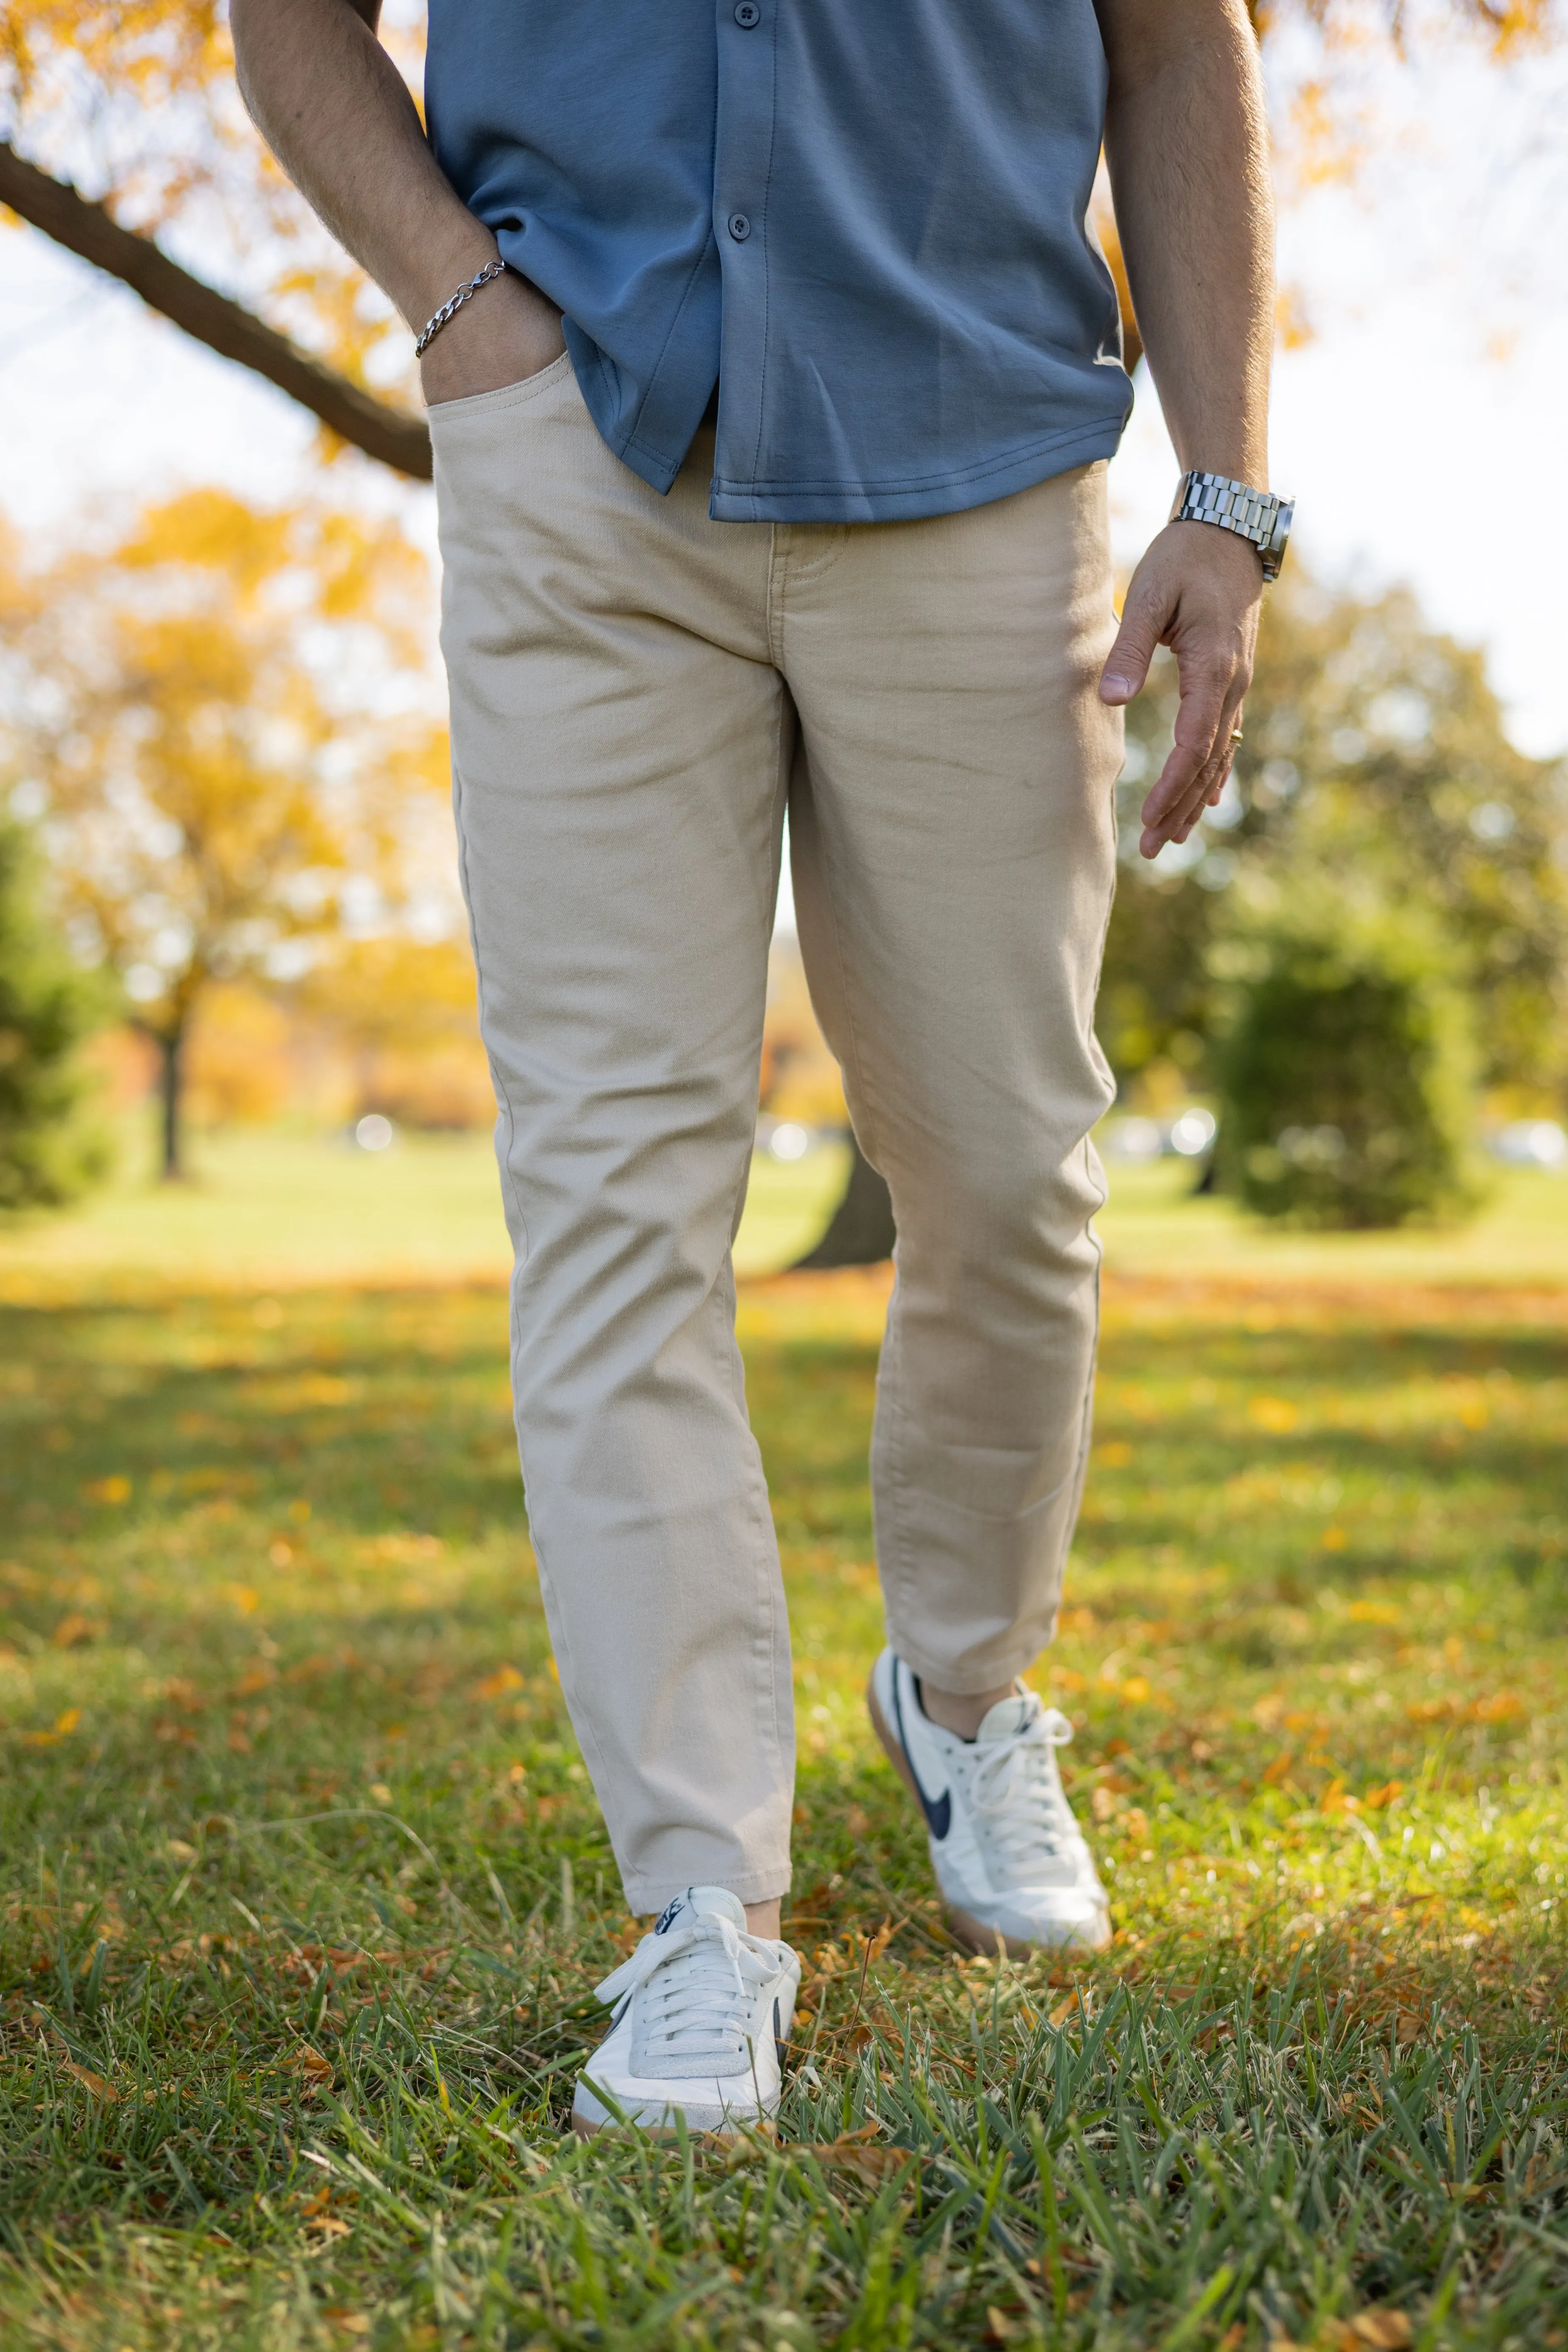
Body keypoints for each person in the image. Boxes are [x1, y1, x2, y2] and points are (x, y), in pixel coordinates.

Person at [233, 0, 1287, 2137]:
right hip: (579, 458)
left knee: (1008, 1170)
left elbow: (1185, 52)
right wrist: (462, 314)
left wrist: (1228, 496)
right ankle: (700, 1907)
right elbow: (286, 20)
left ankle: (965, 1694)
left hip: (984, 475)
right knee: (616, 1195)